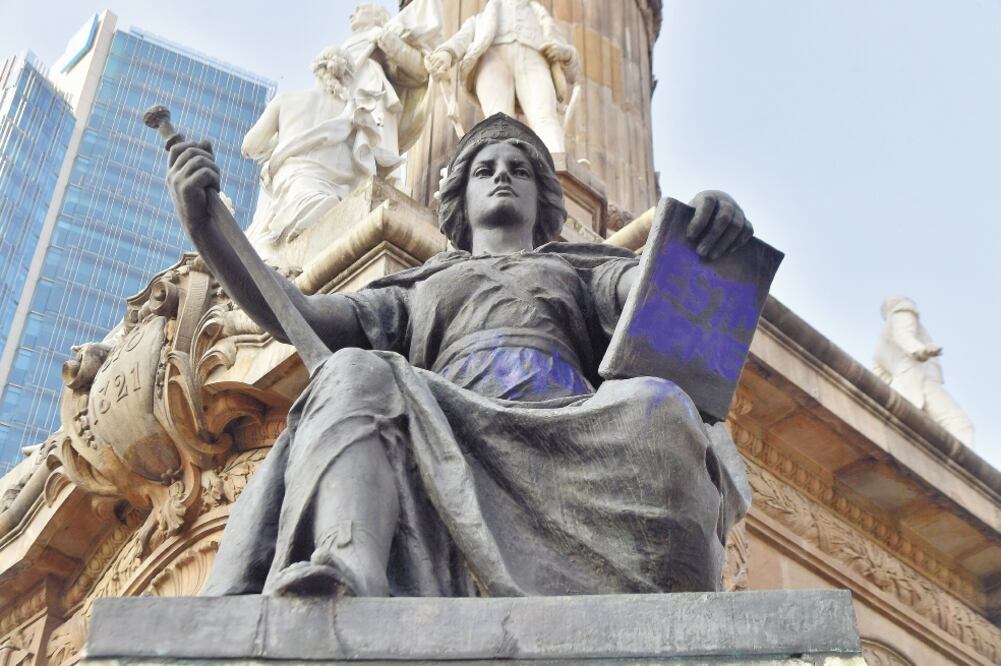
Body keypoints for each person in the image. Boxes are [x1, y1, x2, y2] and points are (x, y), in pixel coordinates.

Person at [167, 113, 753, 598]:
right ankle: (347, 563)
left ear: (541, 195)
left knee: (658, 402)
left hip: (566, 425)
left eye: (519, 170)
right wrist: (209, 230)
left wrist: (707, 232)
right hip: (447, 421)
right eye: (485, 169)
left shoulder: (578, 269)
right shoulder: (420, 286)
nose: (503, 177)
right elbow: (294, 314)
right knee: (352, 371)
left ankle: (677, 601)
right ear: (460, 194)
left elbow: (657, 296)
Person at [427, 0, 579, 154]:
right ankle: (503, 168)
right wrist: (446, 52)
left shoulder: (543, 19)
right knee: (499, 122)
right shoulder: (482, 18)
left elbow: (573, 74)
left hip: (533, 58)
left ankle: (557, 170)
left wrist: (566, 54)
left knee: (545, 117)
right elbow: (461, 39)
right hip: (492, 60)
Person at [873, 296, 974, 446]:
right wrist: (921, 351)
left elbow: (878, 377)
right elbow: (904, 336)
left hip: (903, 388)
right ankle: (964, 468)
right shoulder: (903, 311)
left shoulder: (879, 347)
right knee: (959, 423)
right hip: (920, 380)